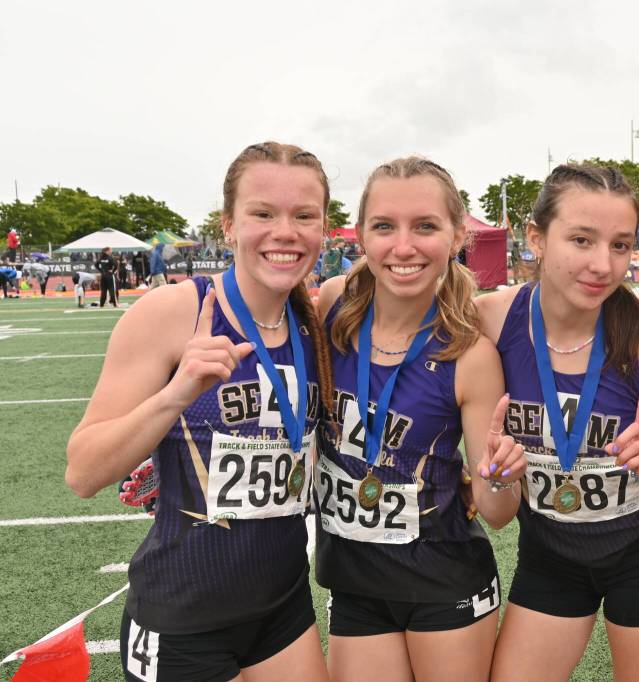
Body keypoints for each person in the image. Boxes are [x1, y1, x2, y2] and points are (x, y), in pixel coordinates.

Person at [65, 141, 335, 682]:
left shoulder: (318, 316)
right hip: (182, 618)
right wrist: (175, 396)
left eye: (304, 216)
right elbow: (83, 472)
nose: (285, 232)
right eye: (263, 213)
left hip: (283, 609)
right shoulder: (173, 311)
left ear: (323, 228)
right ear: (228, 224)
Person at [478, 165, 639, 682]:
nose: (603, 264)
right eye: (581, 239)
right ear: (535, 238)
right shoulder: (491, 320)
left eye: (620, 245)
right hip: (550, 556)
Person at [315, 157, 523, 682]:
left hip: (444, 581)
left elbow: (498, 513)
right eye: (384, 226)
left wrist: (499, 476)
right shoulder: (334, 307)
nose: (403, 247)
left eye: (425, 226)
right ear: (360, 235)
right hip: (355, 582)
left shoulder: (469, 354)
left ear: (456, 236)